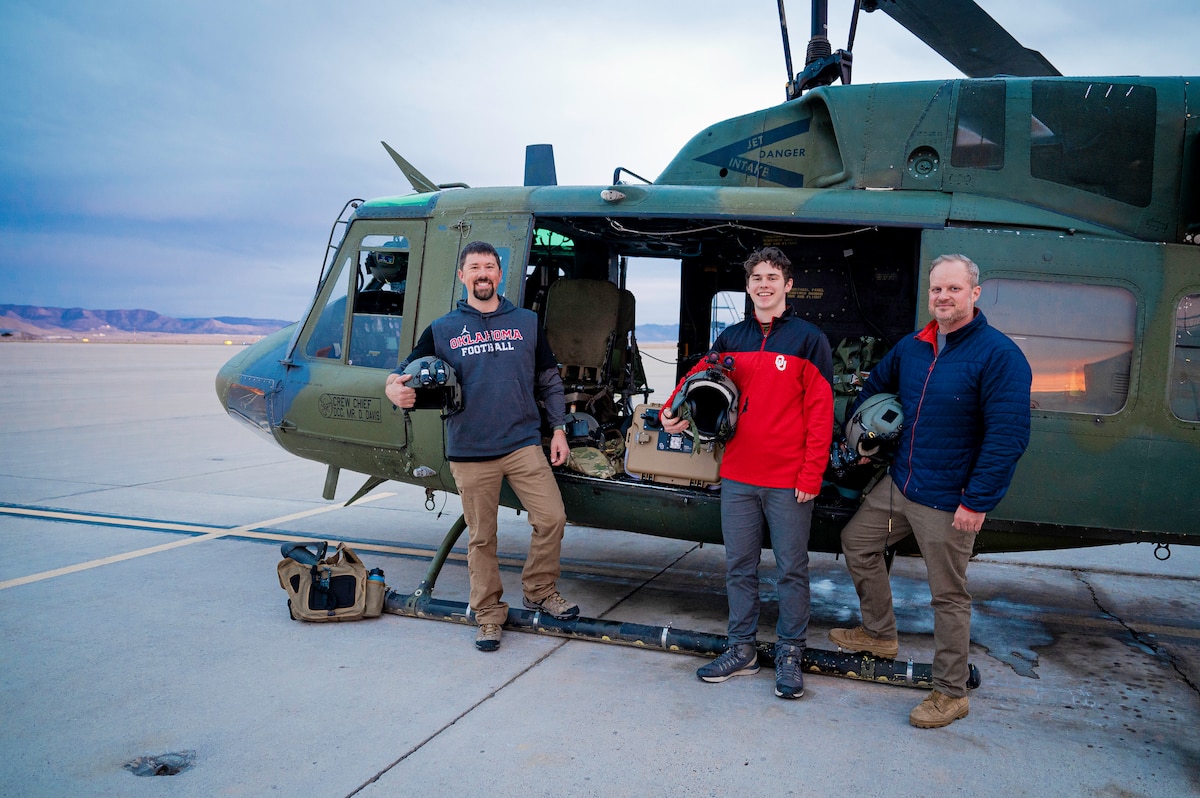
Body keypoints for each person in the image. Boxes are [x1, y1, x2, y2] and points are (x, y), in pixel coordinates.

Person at [829, 253, 1032, 728]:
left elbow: (1008, 437)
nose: (943, 297)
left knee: (948, 597)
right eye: (937, 289)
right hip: (902, 484)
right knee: (857, 544)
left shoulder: (998, 355)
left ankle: (950, 692)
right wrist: (863, 437)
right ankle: (879, 634)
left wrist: (976, 501)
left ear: (974, 294)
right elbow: (874, 386)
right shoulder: (915, 347)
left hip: (949, 497)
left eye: (954, 289)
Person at [384, 241, 579, 652]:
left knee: (552, 518)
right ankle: (489, 614)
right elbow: (400, 375)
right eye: (475, 267)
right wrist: (392, 391)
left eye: (489, 266)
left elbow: (548, 379)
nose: (483, 273)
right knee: (481, 538)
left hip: (523, 443)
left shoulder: (526, 322)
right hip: (470, 451)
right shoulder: (443, 329)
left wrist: (558, 428)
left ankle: (539, 589)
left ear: (498, 275)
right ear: (463, 276)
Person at [661, 247, 833, 699]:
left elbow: (821, 415)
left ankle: (790, 653)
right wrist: (669, 410)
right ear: (749, 285)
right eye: (757, 277)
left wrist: (810, 476)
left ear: (788, 285)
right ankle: (742, 649)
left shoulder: (808, 339)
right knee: (740, 567)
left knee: (792, 569)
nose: (764, 284)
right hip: (738, 475)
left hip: (788, 479)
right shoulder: (732, 337)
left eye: (773, 276)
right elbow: (695, 376)